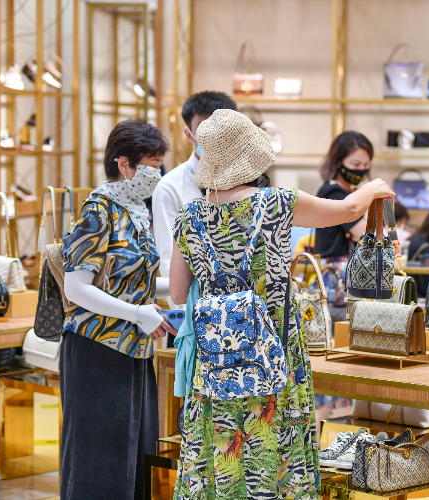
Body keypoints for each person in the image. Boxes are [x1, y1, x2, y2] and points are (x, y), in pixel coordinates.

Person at [169, 110, 394, 499]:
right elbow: (348, 210)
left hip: (217, 361)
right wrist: (372, 187)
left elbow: (177, 293)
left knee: (221, 452)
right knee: (274, 448)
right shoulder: (276, 204)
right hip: (274, 354)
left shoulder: (190, 216)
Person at [60, 119, 177, 500]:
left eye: (159, 164)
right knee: (99, 461)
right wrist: (138, 314)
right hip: (96, 349)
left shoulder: (137, 210)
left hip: (135, 349)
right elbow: (77, 287)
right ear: (124, 164)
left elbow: (137, 282)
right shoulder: (98, 210)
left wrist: (183, 289)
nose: (157, 173)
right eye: (151, 165)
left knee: (134, 453)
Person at [153, 91, 238, 310]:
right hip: (195, 312)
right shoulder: (170, 187)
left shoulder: (246, 180)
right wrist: (188, 319)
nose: (212, 136)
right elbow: (168, 261)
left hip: (244, 308)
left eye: (219, 127)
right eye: (203, 128)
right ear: (189, 134)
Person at [314, 131, 374, 258]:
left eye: (366, 164)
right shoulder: (333, 193)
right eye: (356, 164)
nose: (362, 169)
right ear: (338, 162)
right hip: (335, 267)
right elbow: (366, 233)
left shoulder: (349, 193)